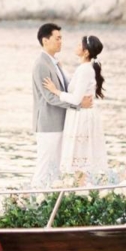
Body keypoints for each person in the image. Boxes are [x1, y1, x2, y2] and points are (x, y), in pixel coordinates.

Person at [31, 23, 92, 186]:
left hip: (60, 124)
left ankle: (49, 205)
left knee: (55, 168)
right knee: (44, 167)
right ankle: (32, 204)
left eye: (61, 38)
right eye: (57, 38)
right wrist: (78, 105)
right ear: (45, 41)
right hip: (48, 125)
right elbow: (50, 97)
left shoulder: (55, 63)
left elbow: (66, 87)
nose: (60, 42)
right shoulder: (41, 65)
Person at [43, 34, 107, 181]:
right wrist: (60, 68)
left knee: (80, 159)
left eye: (80, 45)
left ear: (86, 52)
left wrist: (55, 91)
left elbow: (75, 99)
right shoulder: (85, 68)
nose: (76, 46)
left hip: (81, 117)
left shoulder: (85, 70)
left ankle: (81, 190)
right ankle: (80, 189)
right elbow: (74, 84)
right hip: (81, 114)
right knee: (81, 158)